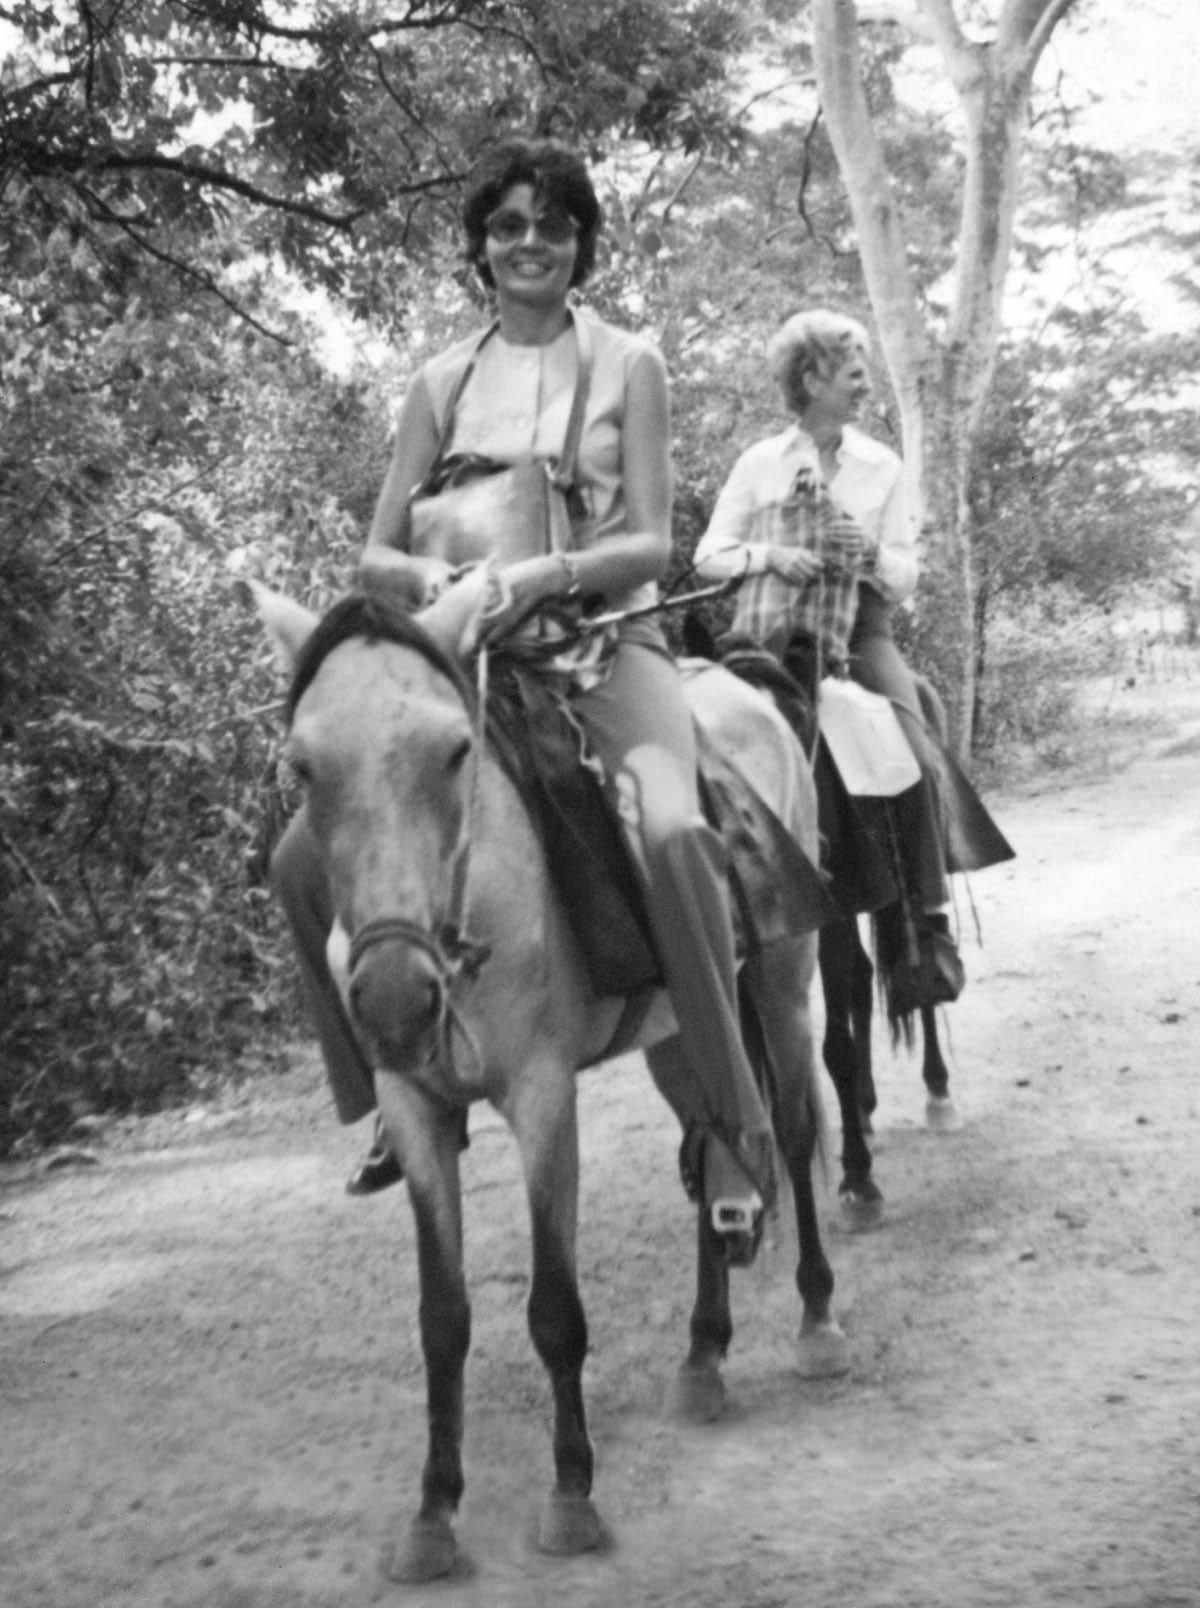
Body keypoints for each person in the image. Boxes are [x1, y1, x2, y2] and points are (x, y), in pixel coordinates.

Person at [271, 136, 775, 1227]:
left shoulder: (631, 362)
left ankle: (733, 1123)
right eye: (508, 225)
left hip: (600, 650)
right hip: (461, 659)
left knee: (676, 833)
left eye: (553, 223)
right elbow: (375, 557)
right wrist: (438, 578)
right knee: (299, 856)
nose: (531, 242)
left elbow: (650, 541)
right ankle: (389, 1094)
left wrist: (547, 571)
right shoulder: (440, 380)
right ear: (481, 247)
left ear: (582, 242)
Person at [695, 308, 1011, 1002]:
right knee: (701, 747)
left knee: (914, 738)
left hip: (859, 632)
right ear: (811, 377)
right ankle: (724, 913)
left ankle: (926, 928)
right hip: (767, 634)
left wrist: (867, 554)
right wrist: (771, 554)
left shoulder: (881, 467)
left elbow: (906, 573)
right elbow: (708, 556)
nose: (864, 387)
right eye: (853, 374)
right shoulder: (759, 463)